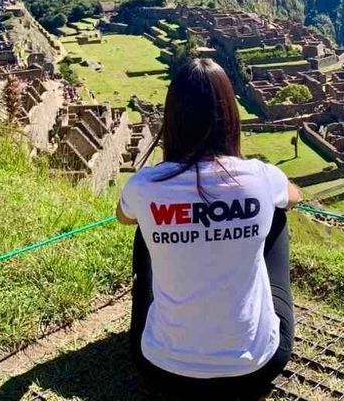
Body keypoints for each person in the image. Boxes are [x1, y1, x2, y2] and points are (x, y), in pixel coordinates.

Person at [116, 58, 301, 399]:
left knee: (147, 223)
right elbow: (294, 196)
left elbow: (123, 216)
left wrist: (182, 214)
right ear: (229, 115)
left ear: (173, 119)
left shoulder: (145, 185)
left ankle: (179, 332)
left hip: (162, 368)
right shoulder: (261, 177)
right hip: (255, 367)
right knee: (276, 213)